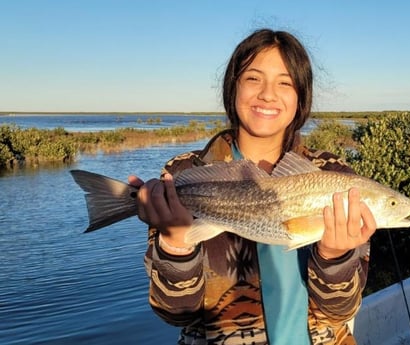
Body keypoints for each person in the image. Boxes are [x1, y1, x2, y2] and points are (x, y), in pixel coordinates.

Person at [129, 28, 377, 345]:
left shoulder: (336, 177)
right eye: (253, 79)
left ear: (301, 96)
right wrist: (176, 245)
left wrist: (334, 256)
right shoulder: (183, 172)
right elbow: (175, 314)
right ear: (233, 87)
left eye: (285, 82)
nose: (268, 94)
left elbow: (341, 311)